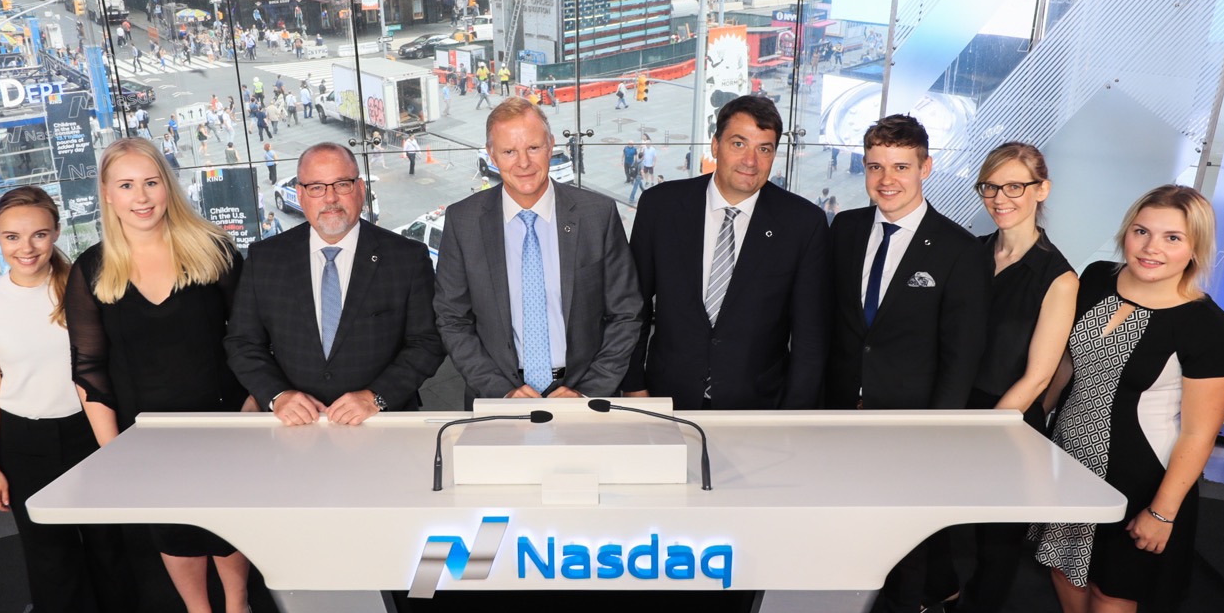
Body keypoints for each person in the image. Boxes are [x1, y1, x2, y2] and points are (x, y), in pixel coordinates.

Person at [1028, 185, 1224, 613]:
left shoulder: (1209, 328)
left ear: (1195, 248)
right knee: (1063, 561)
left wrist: (1163, 511)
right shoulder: (1096, 278)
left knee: (1113, 587)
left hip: (1139, 478)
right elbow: (1065, 366)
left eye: (1172, 238)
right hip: (1068, 454)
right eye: (1142, 231)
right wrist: (1031, 430)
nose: (1151, 247)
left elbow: (1199, 434)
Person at [66, 139, 259, 613]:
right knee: (174, 531)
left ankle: (238, 606)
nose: (142, 197)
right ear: (107, 194)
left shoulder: (214, 250)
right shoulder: (91, 270)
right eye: (127, 185)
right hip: (146, 437)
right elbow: (88, 368)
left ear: (168, 187)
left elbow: (252, 339)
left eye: (151, 182)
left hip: (225, 424)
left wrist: (250, 411)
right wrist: (114, 451)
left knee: (226, 524)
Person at [824, 113, 989, 613]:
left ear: (926, 167)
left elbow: (961, 357)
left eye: (900, 166)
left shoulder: (959, 250)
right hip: (839, 414)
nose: (886, 179)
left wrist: (934, 432)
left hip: (911, 422)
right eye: (875, 166)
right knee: (839, 524)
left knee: (906, 540)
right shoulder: (844, 229)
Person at [0, 186, 136, 613]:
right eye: (12, 237)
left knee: (105, 538)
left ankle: (114, 612)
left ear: (56, 232)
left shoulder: (84, 286)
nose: (27, 247)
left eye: (38, 234)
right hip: (25, 439)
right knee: (50, 555)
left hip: (89, 429)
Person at [916, 142, 1079, 613]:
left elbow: (1038, 376)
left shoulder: (1057, 277)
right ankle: (943, 586)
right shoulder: (969, 252)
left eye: (1014, 186)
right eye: (990, 186)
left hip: (1006, 421)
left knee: (996, 540)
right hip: (951, 404)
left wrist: (982, 429)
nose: (1000, 198)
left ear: (1042, 190)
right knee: (931, 514)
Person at [624, 95, 829, 411]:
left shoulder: (803, 223)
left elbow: (810, 337)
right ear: (715, 145)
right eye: (739, 144)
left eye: (764, 149)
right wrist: (633, 384)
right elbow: (632, 307)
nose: (751, 161)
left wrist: (792, 417)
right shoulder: (660, 207)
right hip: (666, 396)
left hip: (758, 406)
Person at [434, 98, 642, 406]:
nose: (523, 163)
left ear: (550, 145)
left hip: (581, 395)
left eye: (533, 147)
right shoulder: (463, 221)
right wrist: (501, 391)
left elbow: (626, 313)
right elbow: (452, 319)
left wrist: (589, 390)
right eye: (509, 151)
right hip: (498, 397)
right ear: (491, 154)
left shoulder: (597, 214)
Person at [227, 142, 444, 423]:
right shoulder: (265, 259)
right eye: (316, 187)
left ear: (361, 189)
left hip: (381, 421)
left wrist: (376, 397)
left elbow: (427, 342)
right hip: (293, 424)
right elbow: (243, 343)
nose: (330, 198)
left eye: (342, 184)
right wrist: (277, 395)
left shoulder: (407, 258)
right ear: (301, 195)